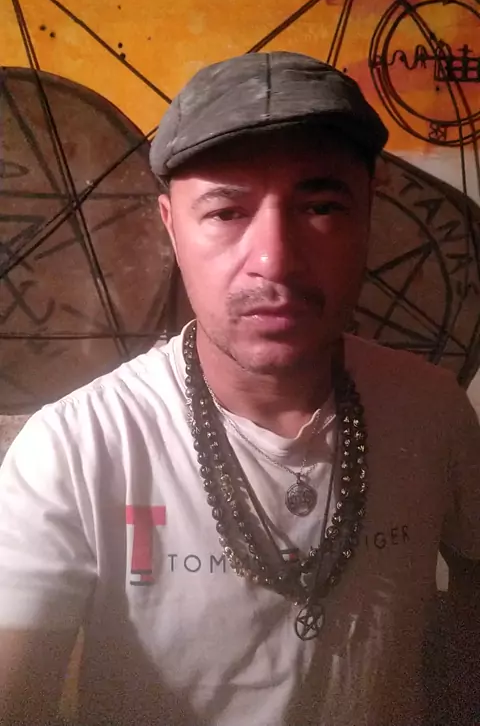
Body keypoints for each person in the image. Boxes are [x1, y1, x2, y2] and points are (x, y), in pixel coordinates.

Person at [0, 51, 479, 726]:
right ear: (171, 227)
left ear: (368, 215)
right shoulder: (75, 450)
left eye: (321, 206)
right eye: (226, 212)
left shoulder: (433, 410)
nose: (275, 261)